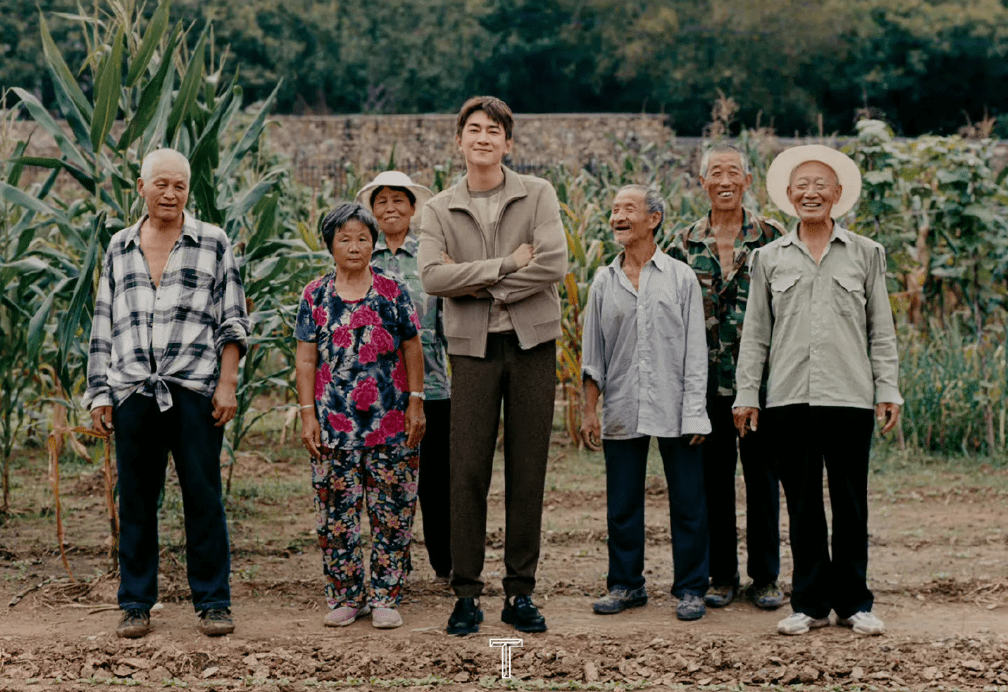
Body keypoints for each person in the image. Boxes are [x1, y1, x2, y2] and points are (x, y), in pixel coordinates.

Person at [733, 144, 902, 636]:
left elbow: (882, 330)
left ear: (838, 195)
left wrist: (887, 388)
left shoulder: (867, 254)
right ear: (788, 196)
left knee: (851, 502)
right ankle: (808, 602)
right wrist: (748, 394)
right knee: (802, 502)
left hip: (850, 395)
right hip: (789, 398)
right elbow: (756, 333)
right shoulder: (767, 258)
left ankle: (853, 602)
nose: (811, 193)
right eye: (802, 186)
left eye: (820, 186)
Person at [83, 148, 249, 639]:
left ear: (188, 190)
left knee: (203, 495)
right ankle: (136, 602)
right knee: (135, 498)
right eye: (161, 184)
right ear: (142, 187)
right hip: (133, 389)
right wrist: (100, 393)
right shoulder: (120, 246)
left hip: (193, 389)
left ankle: (213, 601)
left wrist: (227, 383)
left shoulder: (213, 243)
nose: (170, 193)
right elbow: (103, 322)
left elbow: (234, 319)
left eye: (179, 185)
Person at [418, 96, 567, 636]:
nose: (483, 138)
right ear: (458, 141)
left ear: (509, 143)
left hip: (532, 347)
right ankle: (466, 594)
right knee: (468, 472)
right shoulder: (437, 207)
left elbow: (553, 263)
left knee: (528, 471)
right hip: (471, 351)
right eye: (473, 130)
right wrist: (507, 266)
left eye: (493, 131)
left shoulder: (538, 194)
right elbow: (433, 277)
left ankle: (520, 594)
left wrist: (477, 283)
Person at [581, 184, 712, 622]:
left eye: (628, 209)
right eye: (615, 209)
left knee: (689, 502)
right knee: (622, 502)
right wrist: (588, 409)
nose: (618, 216)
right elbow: (593, 354)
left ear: (653, 219)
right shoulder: (604, 280)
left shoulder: (680, 277)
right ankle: (626, 584)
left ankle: (691, 588)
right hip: (621, 401)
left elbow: (696, 351)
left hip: (675, 404)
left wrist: (695, 410)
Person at [294, 202, 427, 630]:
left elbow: (412, 347)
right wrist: (306, 414)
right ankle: (348, 597)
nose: (355, 247)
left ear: (374, 243)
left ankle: (387, 594)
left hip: (390, 424)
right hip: (334, 425)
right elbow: (305, 360)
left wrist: (416, 401)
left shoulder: (393, 291)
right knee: (337, 514)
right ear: (330, 244)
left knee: (393, 509)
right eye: (344, 239)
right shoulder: (314, 295)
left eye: (363, 239)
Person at [669, 145, 786, 610]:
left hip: (759, 385)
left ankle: (765, 578)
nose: (724, 180)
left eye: (732, 172)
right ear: (702, 183)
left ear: (747, 180)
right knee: (713, 484)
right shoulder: (682, 243)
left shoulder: (773, 239)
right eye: (714, 172)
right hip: (704, 387)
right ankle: (721, 577)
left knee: (762, 482)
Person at [354, 171, 452, 580]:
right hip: (378, 392)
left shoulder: (432, 256)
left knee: (437, 480)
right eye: (382, 201)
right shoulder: (361, 257)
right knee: (387, 482)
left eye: (399, 200)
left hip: (431, 385)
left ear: (414, 209)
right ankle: (395, 567)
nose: (390, 207)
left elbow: (449, 320)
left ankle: (447, 565)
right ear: (372, 211)